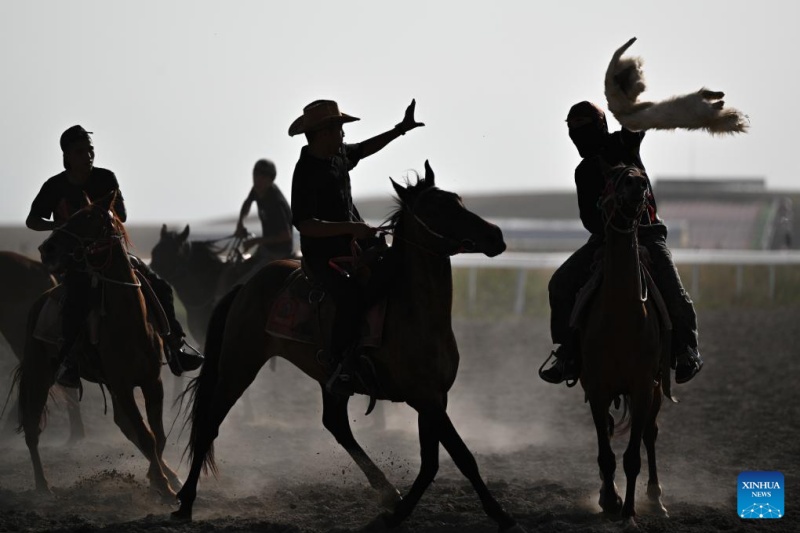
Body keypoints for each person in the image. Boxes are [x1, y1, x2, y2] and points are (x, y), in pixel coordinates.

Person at [539, 102, 703, 386]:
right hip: (606, 238)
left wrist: (624, 96)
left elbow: (635, 122)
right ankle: (567, 353)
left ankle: (686, 350)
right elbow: (589, 219)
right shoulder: (583, 171)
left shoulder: (623, 144)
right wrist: (614, 233)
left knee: (674, 293)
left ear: (601, 126)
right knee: (560, 284)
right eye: (573, 129)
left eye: (583, 127)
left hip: (648, 235)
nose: (578, 134)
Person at [26, 125, 203, 388]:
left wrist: (101, 220)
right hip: (76, 261)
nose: (87, 155)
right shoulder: (54, 187)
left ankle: (175, 347)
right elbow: (32, 220)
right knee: (76, 299)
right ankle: (68, 362)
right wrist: (59, 226)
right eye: (80, 151)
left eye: (90, 150)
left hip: (112, 254)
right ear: (67, 155)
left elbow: (122, 215)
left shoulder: (106, 178)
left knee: (161, 287)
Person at [289, 99, 423, 394]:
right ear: (323, 133)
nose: (344, 135)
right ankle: (339, 366)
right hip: (322, 257)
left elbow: (364, 149)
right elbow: (306, 224)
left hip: (352, 247)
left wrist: (400, 129)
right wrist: (351, 228)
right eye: (339, 129)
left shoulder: (337, 156)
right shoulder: (305, 171)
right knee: (350, 298)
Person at [231, 158, 294, 284]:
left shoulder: (276, 203)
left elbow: (286, 236)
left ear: (270, 180)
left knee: (245, 282)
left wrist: (256, 241)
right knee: (236, 268)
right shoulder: (257, 190)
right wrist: (240, 223)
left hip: (279, 252)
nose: (257, 179)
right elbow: (247, 203)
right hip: (266, 248)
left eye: (262, 176)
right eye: (255, 174)